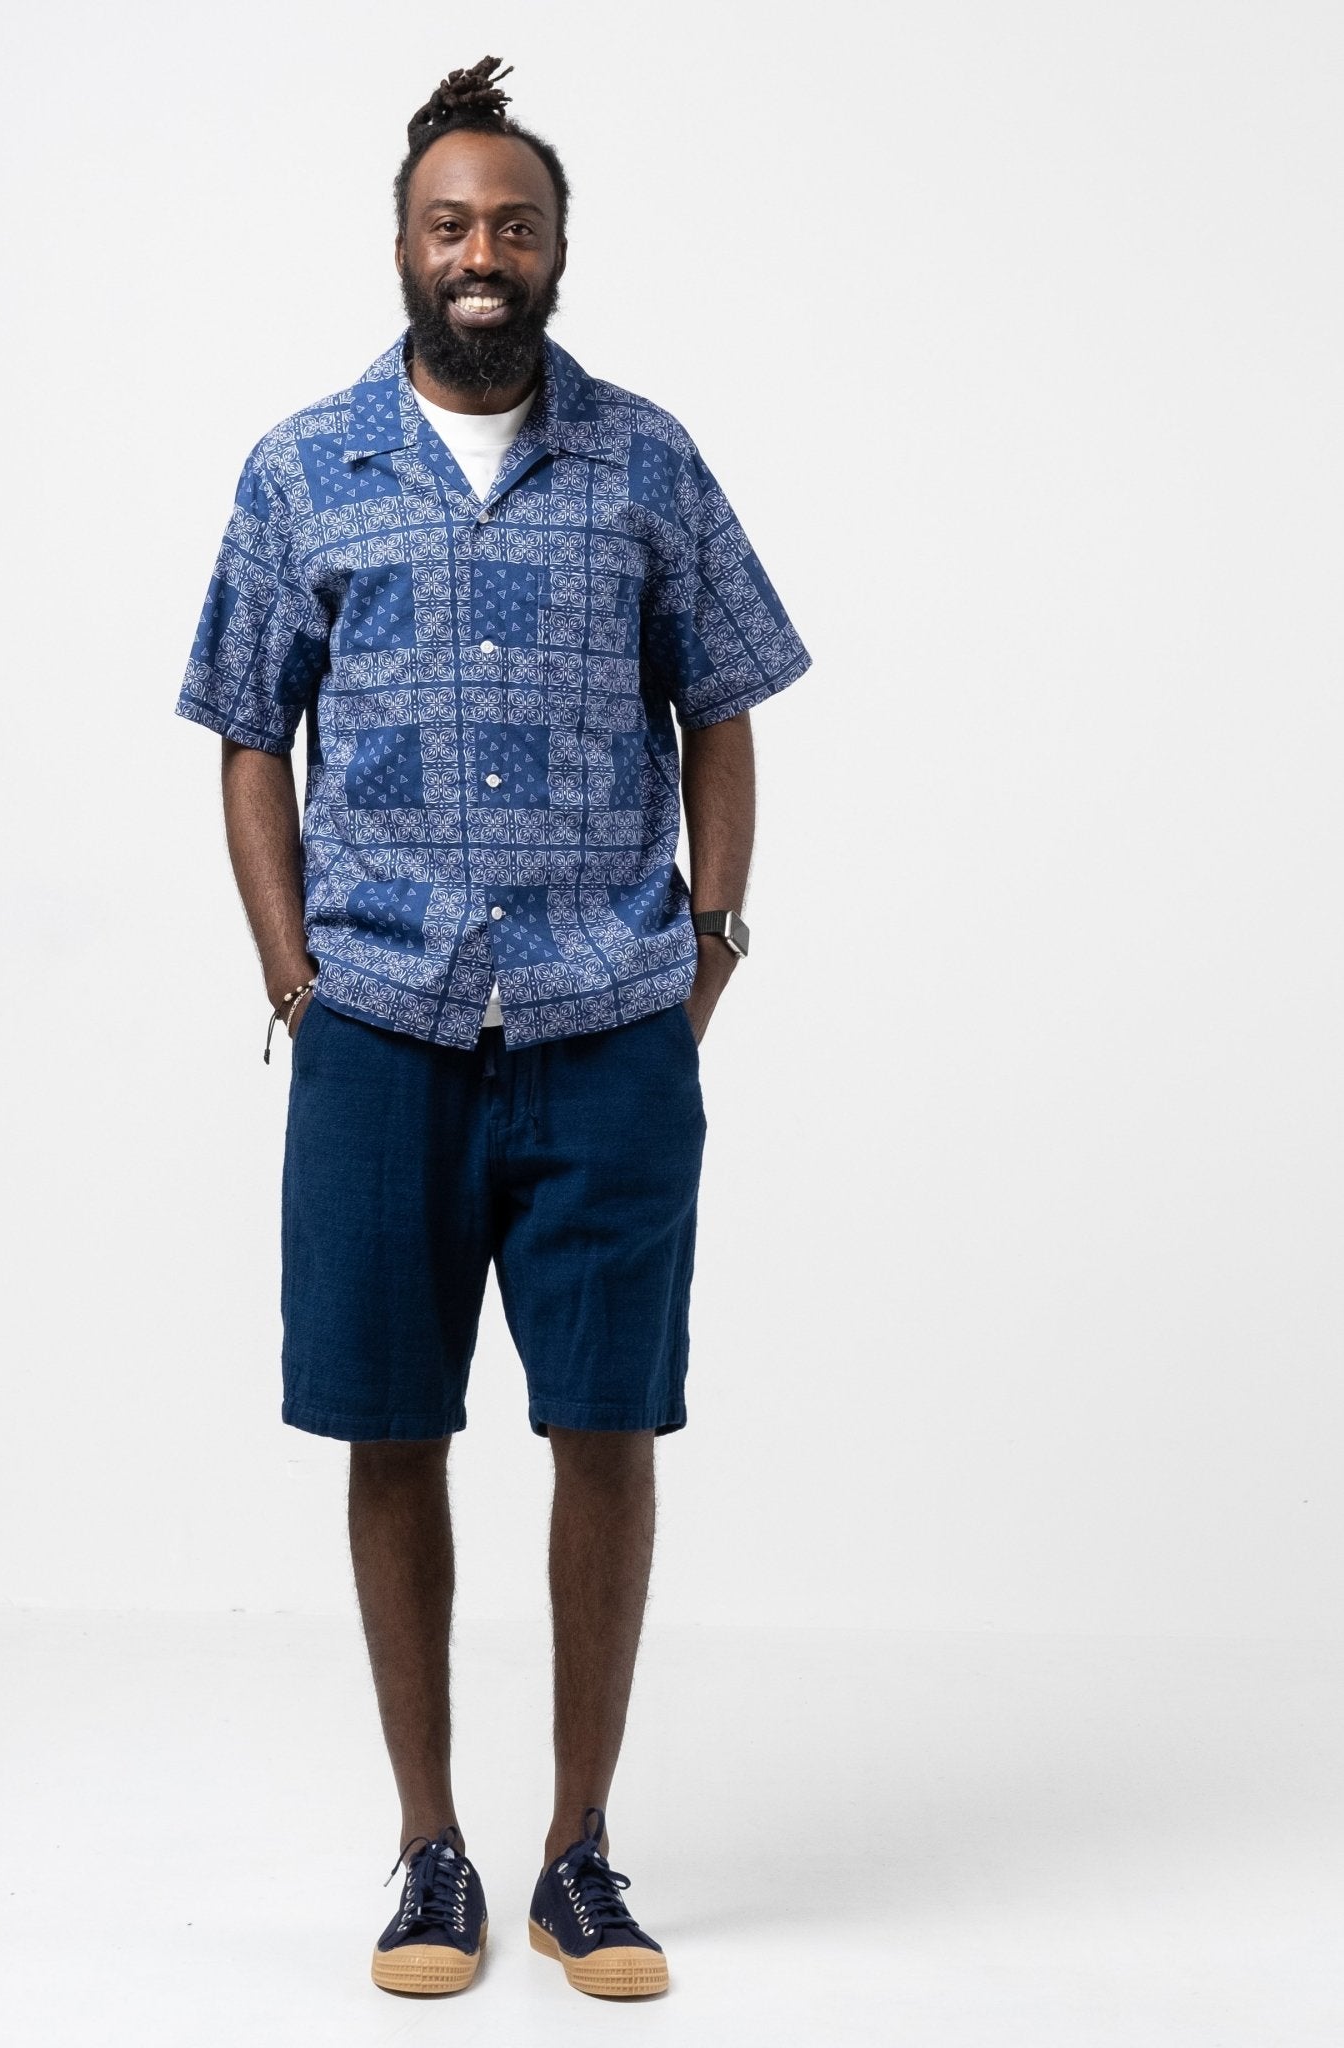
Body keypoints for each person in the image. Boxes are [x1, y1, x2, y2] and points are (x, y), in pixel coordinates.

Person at [175, 54, 811, 2001]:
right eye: (451, 223)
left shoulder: (647, 464)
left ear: (553, 250)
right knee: (393, 1427)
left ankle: (579, 1855)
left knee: (605, 1425)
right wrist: (293, 975)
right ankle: (429, 1852)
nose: (482, 252)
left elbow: (723, 703)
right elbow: (245, 732)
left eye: (512, 225)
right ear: (402, 244)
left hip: (609, 1024)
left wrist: (708, 946)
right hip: (378, 1025)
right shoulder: (304, 469)